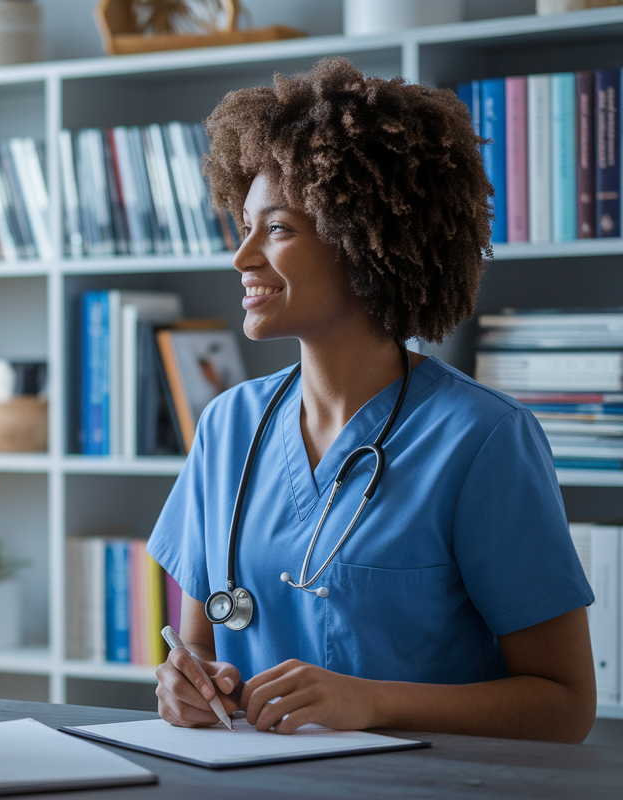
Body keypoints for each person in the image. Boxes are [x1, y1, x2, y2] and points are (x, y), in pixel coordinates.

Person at [148, 58, 596, 743]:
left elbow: (564, 706)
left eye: (277, 229)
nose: (241, 257)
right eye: (242, 226)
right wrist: (185, 686)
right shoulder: (227, 426)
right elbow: (198, 653)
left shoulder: (481, 439)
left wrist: (372, 702)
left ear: (358, 239)